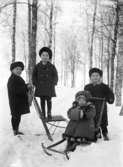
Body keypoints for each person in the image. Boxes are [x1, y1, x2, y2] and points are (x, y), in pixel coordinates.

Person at [84, 67, 114, 141]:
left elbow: (110, 94)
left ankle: (104, 132)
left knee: (103, 121)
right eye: (93, 76)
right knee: (92, 119)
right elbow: (84, 95)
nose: (95, 77)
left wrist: (110, 98)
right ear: (90, 77)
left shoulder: (104, 86)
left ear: (100, 77)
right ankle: (95, 132)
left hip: (101, 106)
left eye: (97, 76)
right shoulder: (87, 87)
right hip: (91, 106)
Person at [32, 47, 58, 119]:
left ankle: (49, 113)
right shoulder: (37, 66)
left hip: (49, 87)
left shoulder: (52, 66)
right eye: (43, 55)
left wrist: (54, 83)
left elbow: (55, 75)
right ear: (40, 56)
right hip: (40, 87)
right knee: (42, 100)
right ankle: (43, 113)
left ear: (49, 57)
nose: (45, 57)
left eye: (47, 55)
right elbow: (34, 75)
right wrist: (35, 83)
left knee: (49, 100)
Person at [7, 61, 32, 135]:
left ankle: (16, 129)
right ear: (12, 70)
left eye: (20, 69)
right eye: (17, 69)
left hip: (18, 102)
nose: (19, 71)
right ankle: (15, 130)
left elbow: (22, 86)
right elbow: (17, 90)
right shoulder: (12, 79)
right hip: (15, 102)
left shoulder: (17, 77)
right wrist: (26, 87)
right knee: (15, 116)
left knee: (17, 116)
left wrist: (27, 85)